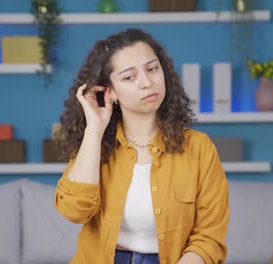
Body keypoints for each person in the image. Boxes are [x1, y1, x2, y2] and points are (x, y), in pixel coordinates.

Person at [54, 28, 229, 264]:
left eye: (152, 69)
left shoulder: (199, 148)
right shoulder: (96, 147)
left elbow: (209, 237)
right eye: (129, 77)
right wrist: (94, 130)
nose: (147, 82)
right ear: (110, 91)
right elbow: (75, 211)